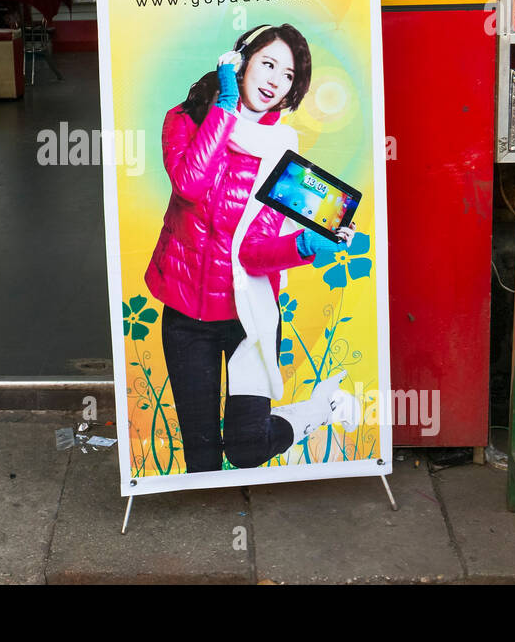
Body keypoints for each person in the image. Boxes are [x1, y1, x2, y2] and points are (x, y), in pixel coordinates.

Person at [144, 23, 359, 472]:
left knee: (245, 450)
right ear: (239, 61)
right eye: (267, 63)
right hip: (186, 316)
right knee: (200, 455)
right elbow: (190, 184)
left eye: (287, 75)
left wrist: (305, 244)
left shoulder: (282, 151)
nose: (274, 80)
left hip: (250, 319)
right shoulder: (182, 121)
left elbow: (253, 255)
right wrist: (224, 104)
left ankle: (319, 410)